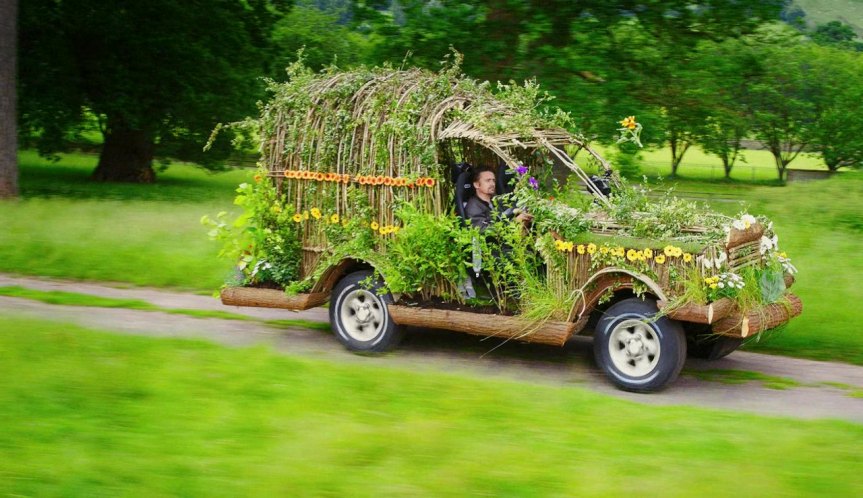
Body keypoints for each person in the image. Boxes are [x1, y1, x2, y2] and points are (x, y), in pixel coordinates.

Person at [465, 168, 532, 231]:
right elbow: (486, 232)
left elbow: (504, 215)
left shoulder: (496, 200)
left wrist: (517, 211)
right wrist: (515, 221)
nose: (492, 184)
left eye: (493, 180)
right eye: (487, 180)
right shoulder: (473, 207)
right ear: (476, 185)